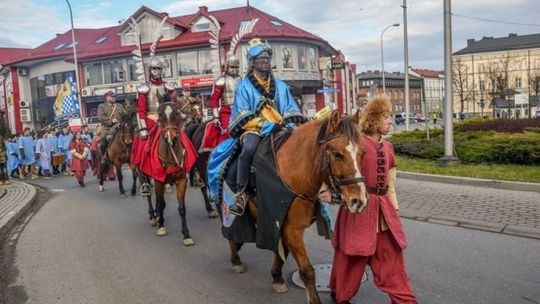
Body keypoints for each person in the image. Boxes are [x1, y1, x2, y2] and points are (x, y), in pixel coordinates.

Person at [329, 96, 417, 304]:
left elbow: (390, 185)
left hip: (383, 212)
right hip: (359, 208)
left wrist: (394, 210)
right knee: (350, 256)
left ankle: (404, 300)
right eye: (385, 117)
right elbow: (339, 169)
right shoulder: (357, 144)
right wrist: (329, 192)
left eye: (390, 117)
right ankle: (339, 294)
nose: (390, 121)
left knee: (391, 258)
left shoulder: (388, 148)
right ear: (374, 120)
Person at [226, 38, 305, 216]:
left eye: (267, 58)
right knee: (248, 149)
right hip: (254, 129)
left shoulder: (281, 86)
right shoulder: (243, 87)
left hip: (281, 127)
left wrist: (290, 125)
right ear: (252, 62)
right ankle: (241, 193)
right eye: (260, 59)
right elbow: (242, 113)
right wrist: (266, 125)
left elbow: (290, 108)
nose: (264, 61)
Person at [131, 57, 176, 196]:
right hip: (150, 119)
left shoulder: (168, 87)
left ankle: (190, 169)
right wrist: (143, 128)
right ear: (149, 70)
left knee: (182, 138)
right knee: (142, 144)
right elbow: (140, 110)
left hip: (166, 118)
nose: (156, 71)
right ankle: (143, 177)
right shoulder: (144, 88)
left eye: (159, 69)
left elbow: (174, 105)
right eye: (154, 69)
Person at [200, 55, 241, 151]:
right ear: (227, 67)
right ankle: (223, 152)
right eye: (232, 67)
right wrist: (216, 117)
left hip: (240, 110)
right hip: (226, 111)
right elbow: (214, 99)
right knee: (227, 131)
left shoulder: (241, 79)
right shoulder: (221, 80)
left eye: (236, 67)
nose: (234, 69)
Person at [97, 91, 127, 165]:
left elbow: (125, 114)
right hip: (107, 129)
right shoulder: (102, 106)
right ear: (107, 98)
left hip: (119, 127)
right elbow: (100, 117)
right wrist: (111, 120)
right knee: (103, 143)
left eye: (115, 96)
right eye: (112, 96)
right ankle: (103, 157)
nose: (114, 98)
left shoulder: (119, 105)